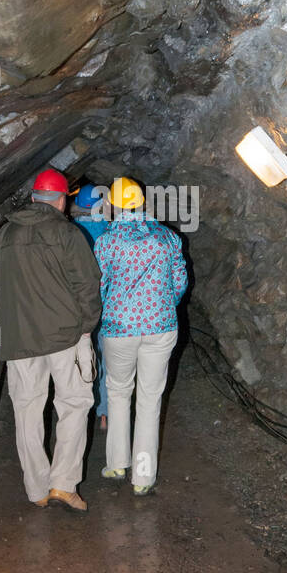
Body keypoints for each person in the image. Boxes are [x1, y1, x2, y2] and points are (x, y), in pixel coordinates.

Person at [0, 168, 101, 512]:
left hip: (20, 341)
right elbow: (88, 286)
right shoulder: (67, 234)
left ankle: (37, 489)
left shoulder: (4, 236)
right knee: (73, 405)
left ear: (32, 199)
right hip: (66, 337)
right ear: (61, 201)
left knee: (27, 412)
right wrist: (88, 325)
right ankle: (63, 484)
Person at [95, 176, 188, 496]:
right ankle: (143, 477)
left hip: (118, 328)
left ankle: (117, 462)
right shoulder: (168, 238)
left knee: (118, 392)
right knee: (150, 400)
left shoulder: (107, 241)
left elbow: (99, 286)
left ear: (115, 205)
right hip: (160, 328)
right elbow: (179, 283)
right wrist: (160, 310)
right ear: (142, 202)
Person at [69, 183, 110, 430]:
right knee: (108, 360)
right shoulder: (111, 231)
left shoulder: (69, 232)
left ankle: (81, 411)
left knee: (82, 359)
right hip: (109, 307)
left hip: (79, 308)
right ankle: (104, 412)